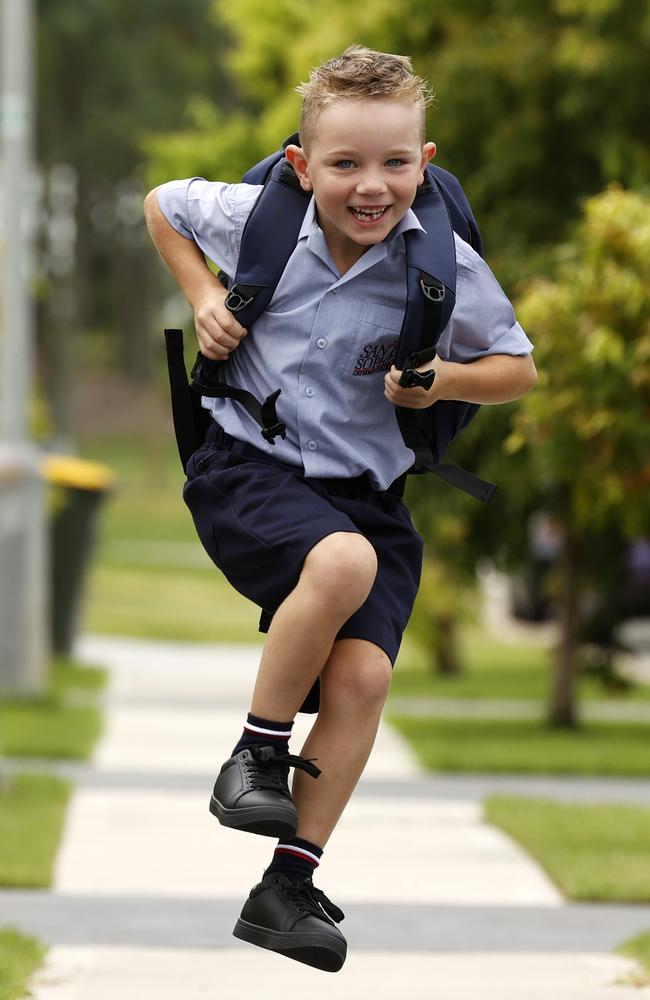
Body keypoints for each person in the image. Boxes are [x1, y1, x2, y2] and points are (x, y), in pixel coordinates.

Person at [143, 45, 536, 973]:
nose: (372, 186)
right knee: (342, 562)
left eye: (395, 164)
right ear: (301, 165)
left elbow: (518, 369)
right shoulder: (257, 221)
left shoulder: (445, 265)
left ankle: (286, 885)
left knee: (362, 682)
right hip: (248, 467)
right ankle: (254, 756)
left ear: (425, 162)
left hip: (373, 495)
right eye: (346, 164)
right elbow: (162, 204)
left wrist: (443, 381)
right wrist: (202, 295)